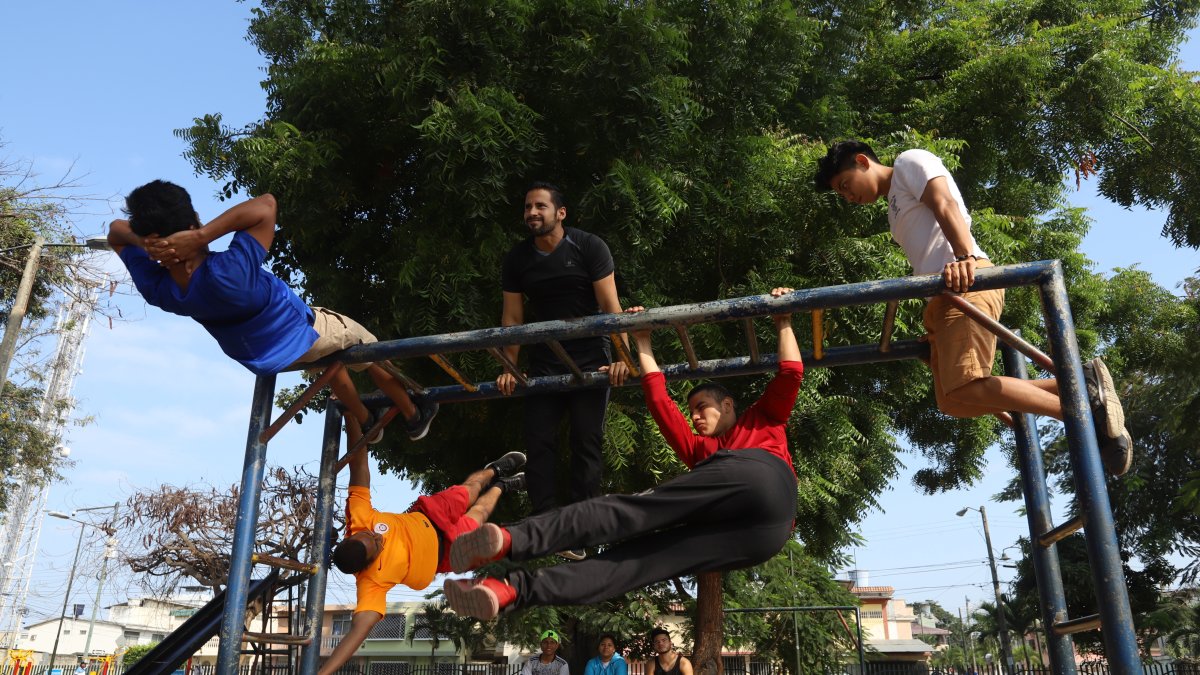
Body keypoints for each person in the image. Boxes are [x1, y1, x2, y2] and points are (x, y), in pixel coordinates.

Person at [441, 288, 803, 618]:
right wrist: (642, 343)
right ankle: (507, 591)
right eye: (691, 409)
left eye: (703, 406)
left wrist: (784, 320)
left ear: (728, 406)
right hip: (761, 539)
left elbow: (790, 374)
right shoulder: (698, 449)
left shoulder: (762, 420)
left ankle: (513, 539)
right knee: (639, 564)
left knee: (632, 510)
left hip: (765, 478)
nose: (694, 416)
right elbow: (661, 402)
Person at [814, 141, 1133, 476]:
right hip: (942, 298)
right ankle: (1078, 385)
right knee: (953, 400)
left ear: (862, 161)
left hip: (964, 281)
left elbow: (944, 202)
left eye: (845, 186)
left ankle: (1082, 414)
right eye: (841, 194)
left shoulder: (909, 161)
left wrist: (965, 256)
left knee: (967, 384)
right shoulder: (893, 207)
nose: (848, 197)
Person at [107, 181, 438, 443]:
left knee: (332, 362)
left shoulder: (160, 289)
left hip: (264, 357)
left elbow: (116, 231)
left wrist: (146, 244)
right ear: (192, 225)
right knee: (366, 344)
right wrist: (202, 236)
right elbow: (266, 204)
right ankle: (413, 416)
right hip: (302, 334)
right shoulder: (229, 272)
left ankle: (367, 422)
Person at [497, 181, 631, 560]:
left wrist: (621, 356)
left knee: (586, 442)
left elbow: (610, 307)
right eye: (527, 207)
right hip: (545, 363)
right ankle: (544, 523)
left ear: (561, 213)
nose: (532, 213)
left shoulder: (589, 246)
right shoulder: (518, 259)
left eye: (540, 206)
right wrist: (510, 367)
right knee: (539, 441)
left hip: (591, 359)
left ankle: (582, 528)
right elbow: (512, 318)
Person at [317, 447, 527, 675]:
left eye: (369, 534)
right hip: (446, 553)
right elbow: (358, 631)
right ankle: (502, 486)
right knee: (479, 515)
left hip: (431, 514)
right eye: (376, 545)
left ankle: (494, 471)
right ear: (367, 565)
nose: (377, 537)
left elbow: (359, 465)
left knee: (470, 489)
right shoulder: (371, 584)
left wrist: (351, 415)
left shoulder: (360, 519)